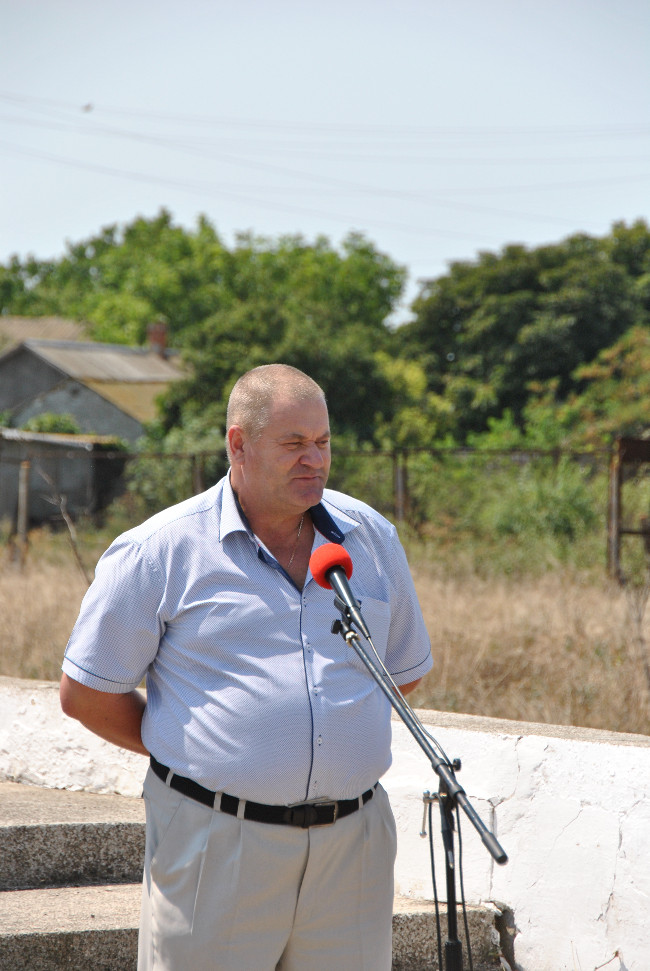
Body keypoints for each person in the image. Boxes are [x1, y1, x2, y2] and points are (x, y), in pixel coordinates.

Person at [60, 363, 433, 971]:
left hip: (353, 846)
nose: (315, 459)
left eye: (323, 441)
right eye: (294, 443)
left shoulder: (369, 538)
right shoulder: (160, 551)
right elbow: (87, 694)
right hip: (217, 843)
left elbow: (401, 673)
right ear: (239, 444)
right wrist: (199, 748)